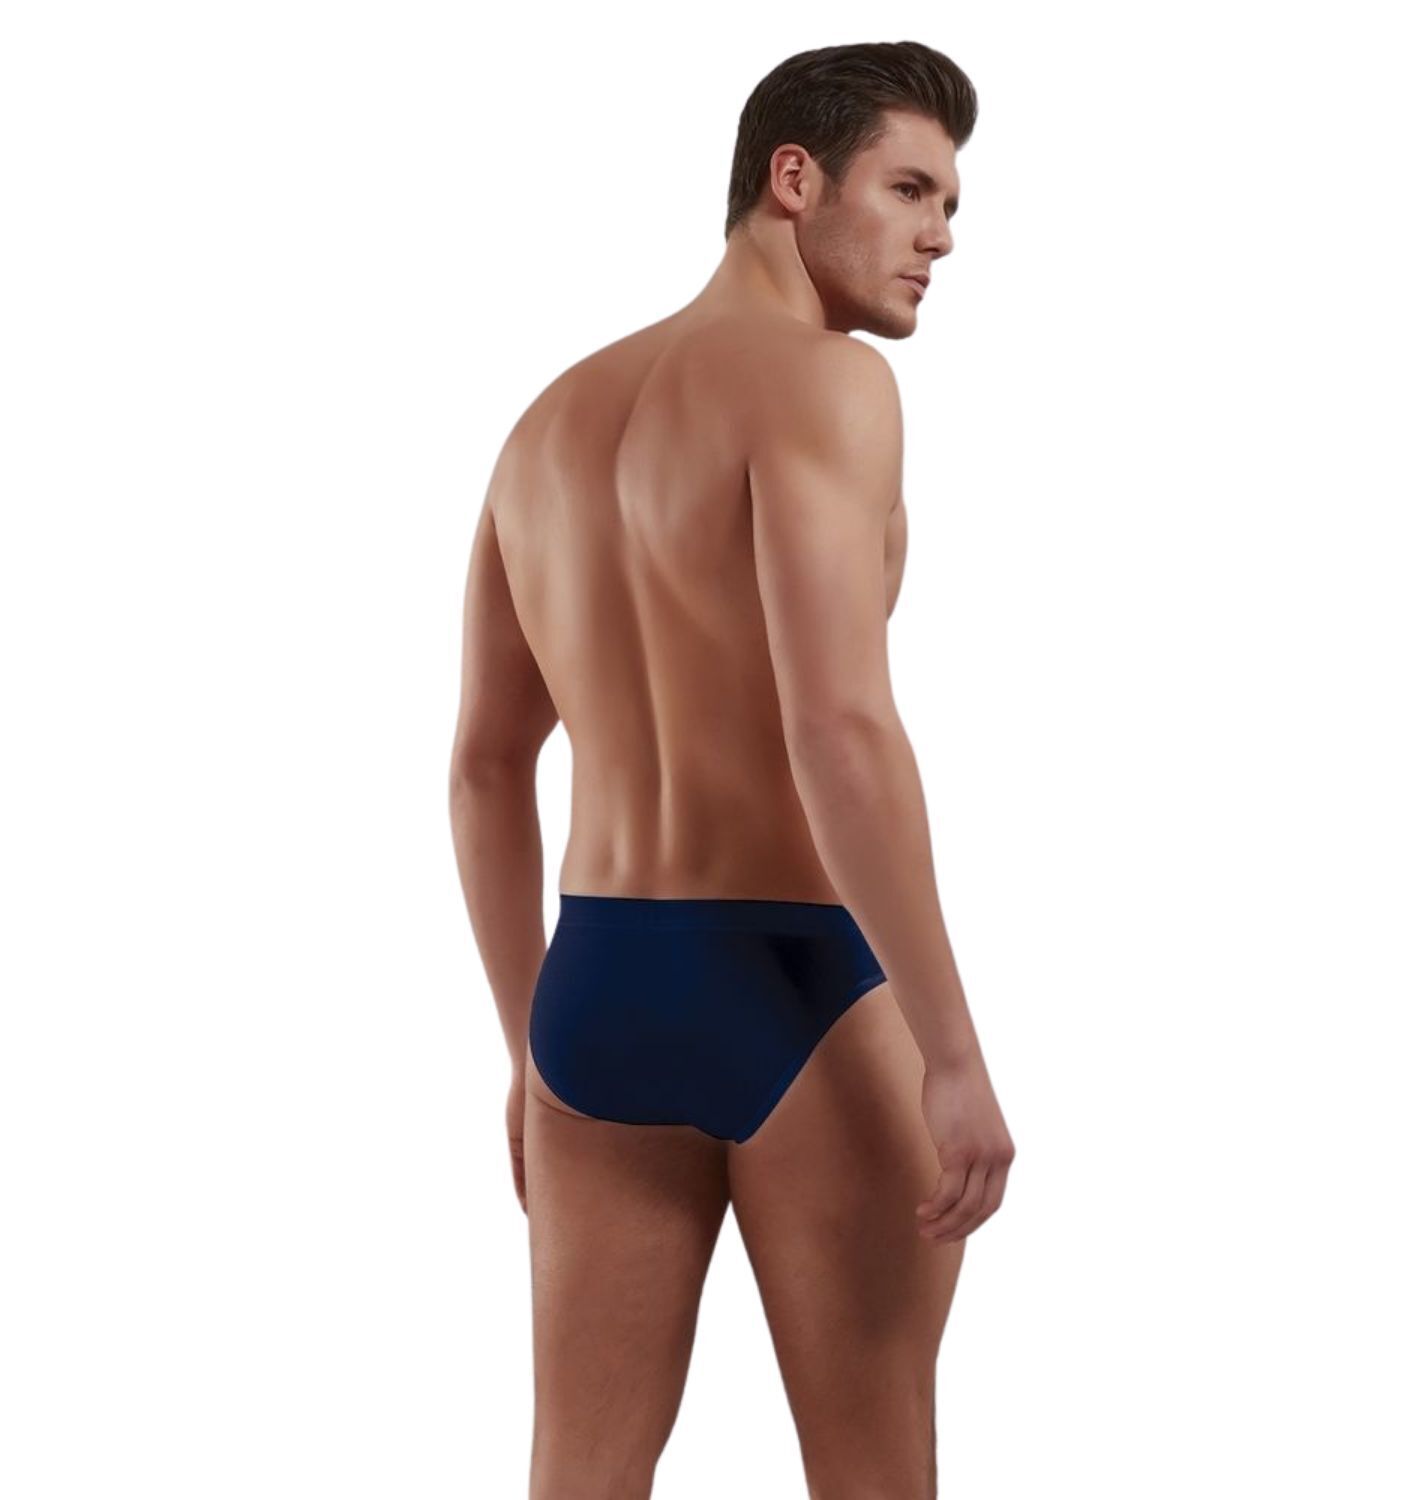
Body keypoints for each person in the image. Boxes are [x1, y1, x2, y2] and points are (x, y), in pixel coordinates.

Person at [449, 39, 1015, 1499]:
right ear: (794, 179)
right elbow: (841, 730)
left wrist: (525, 1047)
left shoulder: (545, 425)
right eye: (911, 190)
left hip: (593, 998)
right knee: (873, 1472)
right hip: (793, 983)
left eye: (951, 203)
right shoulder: (828, 387)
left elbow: (485, 767)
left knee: (580, 1477)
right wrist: (954, 1056)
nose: (943, 235)